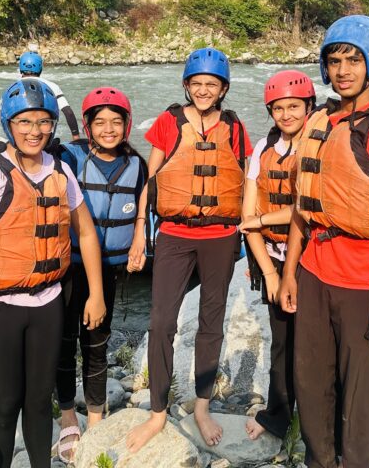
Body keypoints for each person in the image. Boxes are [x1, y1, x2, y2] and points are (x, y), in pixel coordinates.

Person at [0, 78, 107, 468]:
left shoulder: (60, 169)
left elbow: (86, 232)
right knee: (3, 407)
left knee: (40, 404)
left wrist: (96, 293)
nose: (35, 131)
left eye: (43, 122)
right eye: (25, 122)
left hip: (48, 303)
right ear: (9, 124)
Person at [278, 15, 369, 468]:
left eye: (354, 60)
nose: (343, 69)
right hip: (314, 273)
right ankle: (320, 461)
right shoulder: (319, 120)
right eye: (335, 60)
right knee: (311, 382)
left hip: (366, 280)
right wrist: (289, 272)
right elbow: (306, 203)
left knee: (359, 397)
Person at [126, 47, 252, 452]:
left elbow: (246, 182)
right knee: (161, 322)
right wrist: (137, 238)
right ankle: (158, 411)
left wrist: (253, 244)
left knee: (210, 322)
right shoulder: (168, 122)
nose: (202, 90)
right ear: (186, 85)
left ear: (223, 89)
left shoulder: (234, 128)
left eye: (210, 85)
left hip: (220, 237)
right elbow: (152, 180)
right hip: (176, 236)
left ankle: (201, 406)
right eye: (196, 84)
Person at [54, 87, 149, 461]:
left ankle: (94, 419)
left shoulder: (137, 165)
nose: (108, 129)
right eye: (100, 122)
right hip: (67, 267)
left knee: (96, 344)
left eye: (116, 122)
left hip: (108, 270)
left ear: (126, 125)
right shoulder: (70, 157)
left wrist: (140, 239)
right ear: (88, 126)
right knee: (64, 343)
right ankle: (66, 416)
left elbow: (144, 202)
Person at [238, 70, 316, 442]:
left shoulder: (320, 146)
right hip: (273, 256)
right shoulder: (262, 149)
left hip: (312, 261)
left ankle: (320, 421)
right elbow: (246, 221)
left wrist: (262, 218)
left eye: (294, 107)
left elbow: (307, 208)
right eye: (279, 108)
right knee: (282, 341)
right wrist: (268, 272)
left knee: (314, 343)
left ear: (309, 107)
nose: (286, 115)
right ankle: (279, 415)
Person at [0, 51, 81, 146]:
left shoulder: (14, 88)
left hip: (22, 140)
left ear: (21, 67)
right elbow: (68, 113)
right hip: (42, 138)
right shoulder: (51, 86)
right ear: (40, 68)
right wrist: (76, 138)